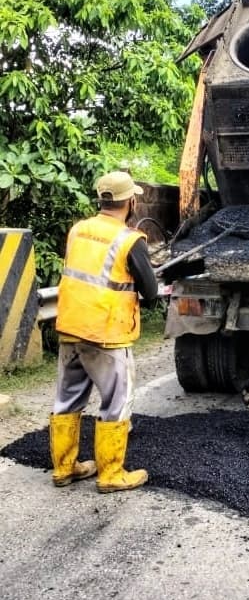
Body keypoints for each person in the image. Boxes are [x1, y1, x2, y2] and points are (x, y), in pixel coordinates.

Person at [50, 171, 157, 492]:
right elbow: (151, 293)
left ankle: (64, 468)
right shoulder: (130, 240)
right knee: (117, 402)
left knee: (67, 399)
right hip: (106, 333)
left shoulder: (78, 230)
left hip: (71, 326)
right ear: (131, 202)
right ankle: (111, 474)